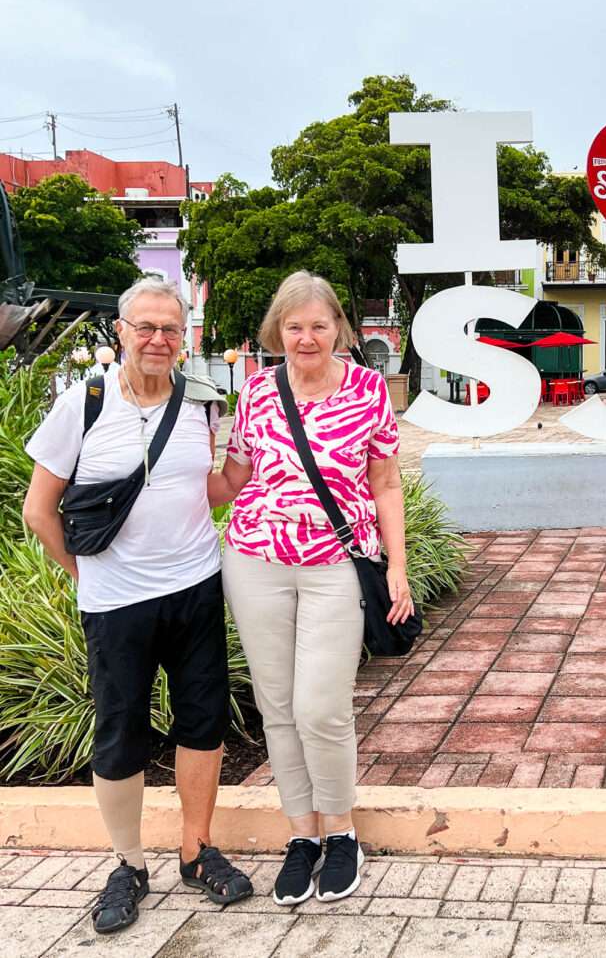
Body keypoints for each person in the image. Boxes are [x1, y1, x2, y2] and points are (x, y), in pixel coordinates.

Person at [23, 277, 252, 935]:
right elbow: (38, 510)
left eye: (170, 329)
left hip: (196, 587)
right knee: (121, 732)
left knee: (202, 721)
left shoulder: (197, 402)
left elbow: (190, 489)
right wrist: (88, 572)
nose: (158, 339)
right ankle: (127, 863)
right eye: (145, 327)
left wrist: (233, 479)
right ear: (120, 331)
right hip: (117, 603)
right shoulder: (81, 404)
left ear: (185, 338)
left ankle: (197, 849)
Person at [209, 270, 413, 905]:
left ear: (338, 331)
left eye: (318, 326)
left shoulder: (369, 391)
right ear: (278, 330)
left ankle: (341, 830)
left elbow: (385, 484)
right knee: (277, 706)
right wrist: (156, 485)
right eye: (294, 326)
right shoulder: (257, 392)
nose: (306, 337)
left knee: (320, 707)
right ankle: (302, 836)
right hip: (254, 559)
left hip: (334, 563)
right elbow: (235, 475)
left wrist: (398, 566)